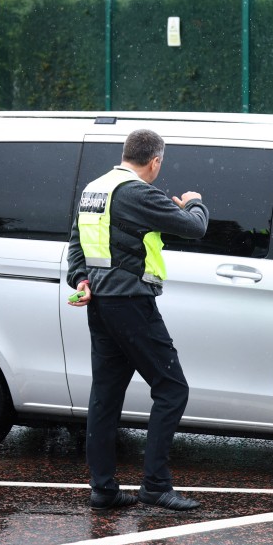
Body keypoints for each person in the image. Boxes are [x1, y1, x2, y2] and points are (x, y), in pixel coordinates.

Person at [67, 129, 209, 512]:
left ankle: (103, 489)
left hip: (100, 304)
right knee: (171, 388)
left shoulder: (95, 188)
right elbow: (195, 227)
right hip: (130, 303)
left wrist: (81, 280)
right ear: (155, 161)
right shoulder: (138, 192)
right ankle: (155, 486)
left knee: (105, 396)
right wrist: (195, 203)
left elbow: (76, 244)